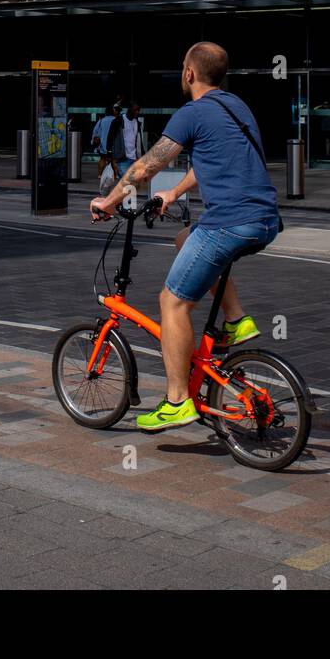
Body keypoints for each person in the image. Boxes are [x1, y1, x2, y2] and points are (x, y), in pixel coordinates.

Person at [91, 42, 280, 433]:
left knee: (172, 302)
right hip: (264, 221)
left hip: (228, 222)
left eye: (182, 68)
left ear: (190, 73)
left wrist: (109, 201)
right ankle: (237, 320)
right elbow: (213, 160)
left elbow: (146, 165)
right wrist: (174, 193)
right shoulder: (236, 106)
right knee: (183, 239)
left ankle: (177, 401)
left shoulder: (191, 113)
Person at [91, 103, 121, 183]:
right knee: (114, 160)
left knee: (102, 159)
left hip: (103, 144)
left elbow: (95, 131)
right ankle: (115, 175)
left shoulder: (101, 120)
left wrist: (94, 140)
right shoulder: (115, 120)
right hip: (113, 144)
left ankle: (100, 174)